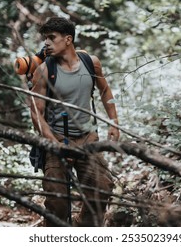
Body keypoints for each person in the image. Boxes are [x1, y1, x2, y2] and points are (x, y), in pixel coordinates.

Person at [29, 16, 119, 226]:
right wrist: (55, 143)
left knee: (102, 188)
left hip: (88, 138)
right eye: (45, 38)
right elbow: (36, 113)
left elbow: (106, 91)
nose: (46, 43)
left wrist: (114, 121)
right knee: (58, 202)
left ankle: (81, 227)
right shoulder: (44, 70)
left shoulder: (90, 62)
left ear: (68, 39)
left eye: (52, 38)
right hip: (57, 140)